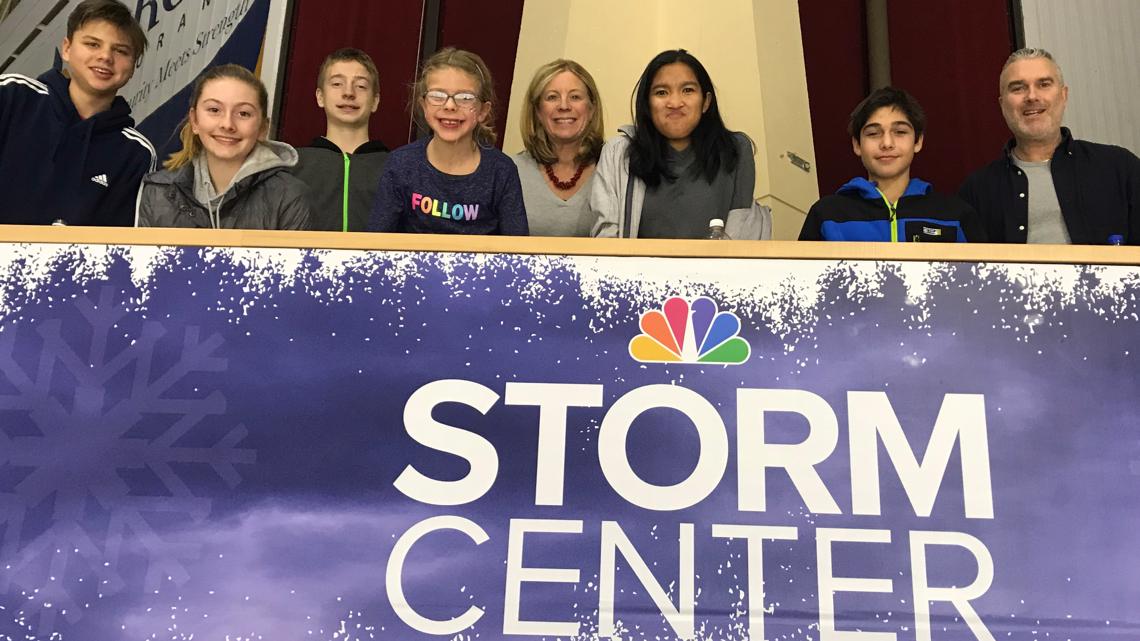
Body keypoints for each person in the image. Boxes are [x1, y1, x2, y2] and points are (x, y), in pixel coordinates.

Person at [959, 48, 1140, 244]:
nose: (1032, 96)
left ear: (1064, 95)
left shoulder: (1120, 168)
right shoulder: (976, 190)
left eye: (1044, 84)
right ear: (1002, 104)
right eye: (1018, 88)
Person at [0, 0, 154, 227]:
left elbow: (121, 249)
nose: (105, 57)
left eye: (120, 50)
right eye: (92, 44)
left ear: (133, 65)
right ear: (66, 48)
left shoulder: (136, 154)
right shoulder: (13, 96)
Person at [590, 49, 759, 239]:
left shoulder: (735, 150)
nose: (675, 102)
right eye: (662, 92)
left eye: (688, 90)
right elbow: (606, 238)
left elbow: (742, 240)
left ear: (706, 102)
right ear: (647, 104)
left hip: (716, 268)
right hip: (638, 269)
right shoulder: (618, 152)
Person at [368, 47, 527, 235]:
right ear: (424, 105)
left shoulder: (501, 171)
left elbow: (517, 252)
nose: (450, 106)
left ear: (483, 111)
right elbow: (376, 243)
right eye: (438, 96)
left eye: (465, 98)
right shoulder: (401, 164)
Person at [135, 64, 311, 229]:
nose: (227, 124)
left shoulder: (289, 195)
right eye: (214, 110)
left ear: (262, 128)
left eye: (243, 113)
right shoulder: (157, 191)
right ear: (194, 120)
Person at [799, 87, 984, 242]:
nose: (887, 143)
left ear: (918, 141)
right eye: (873, 133)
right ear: (857, 144)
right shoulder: (827, 215)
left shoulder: (955, 215)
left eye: (900, 131)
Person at [293, 48, 389, 232]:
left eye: (360, 86)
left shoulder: (396, 167)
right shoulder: (293, 164)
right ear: (320, 97)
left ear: (375, 101)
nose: (348, 93)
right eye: (337, 84)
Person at [512, 59, 604, 237]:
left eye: (575, 97)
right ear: (538, 111)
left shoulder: (613, 170)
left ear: (592, 108)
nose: (564, 106)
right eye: (552, 97)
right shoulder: (510, 170)